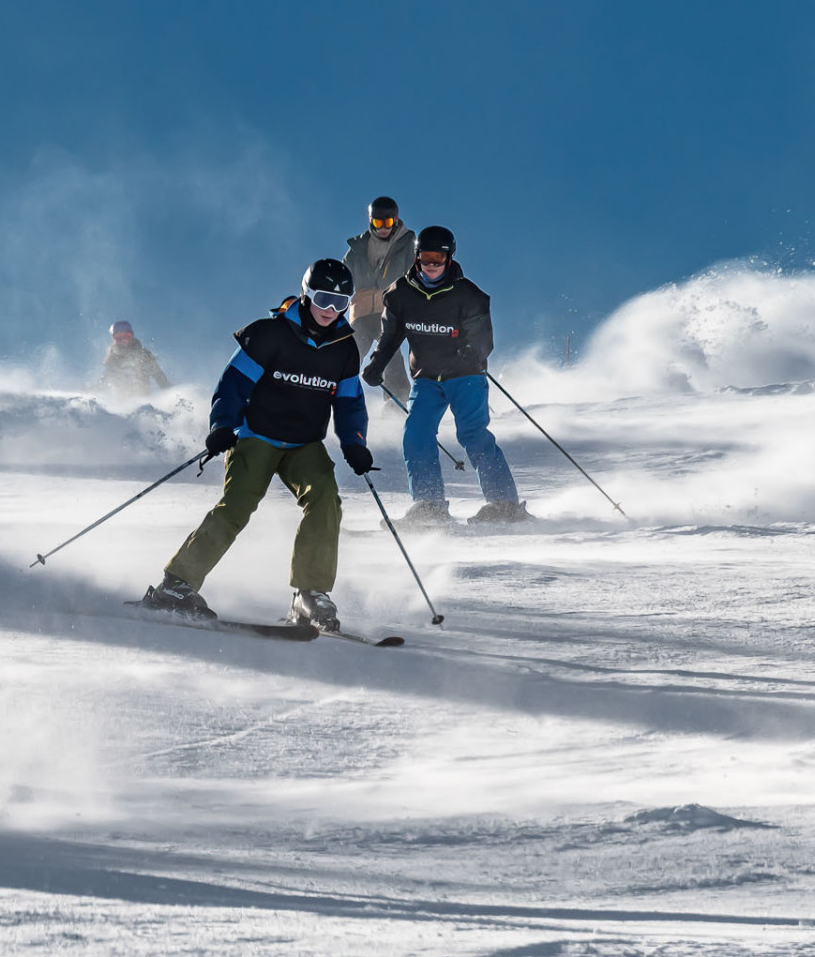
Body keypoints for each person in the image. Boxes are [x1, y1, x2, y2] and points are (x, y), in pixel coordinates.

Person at [143, 259, 375, 632]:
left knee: (325, 500)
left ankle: (309, 594)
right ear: (305, 294)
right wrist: (222, 425)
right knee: (238, 505)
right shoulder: (270, 334)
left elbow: (349, 402)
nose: (331, 310)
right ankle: (177, 584)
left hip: (303, 443)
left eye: (340, 302)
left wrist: (355, 442)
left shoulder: (344, 348)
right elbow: (233, 384)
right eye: (323, 299)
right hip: (256, 435)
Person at [361, 226, 528, 525]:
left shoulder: (468, 294)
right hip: (427, 379)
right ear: (416, 257)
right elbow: (390, 337)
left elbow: (483, 338)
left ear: (449, 258)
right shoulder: (400, 294)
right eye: (426, 257)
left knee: (473, 435)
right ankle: (429, 506)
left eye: (438, 257)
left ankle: (504, 503)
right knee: (416, 434)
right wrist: (377, 365)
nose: (432, 265)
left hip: (466, 377)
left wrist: (472, 351)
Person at [344, 197, 416, 407]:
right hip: (363, 309)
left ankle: (398, 401)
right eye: (378, 223)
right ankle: (330, 392)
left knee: (390, 354)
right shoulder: (357, 247)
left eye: (387, 223)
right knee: (351, 352)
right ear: (370, 221)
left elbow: (416, 274)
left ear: (395, 220)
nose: (383, 228)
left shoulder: (408, 245)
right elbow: (344, 274)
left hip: (391, 308)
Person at [99, 320, 171, 399]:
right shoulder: (112, 359)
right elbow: (105, 380)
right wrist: (93, 390)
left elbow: (158, 374)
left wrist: (168, 389)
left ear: (132, 336)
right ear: (114, 339)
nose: (124, 340)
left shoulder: (142, 354)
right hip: (122, 401)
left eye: (127, 336)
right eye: (119, 338)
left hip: (143, 399)